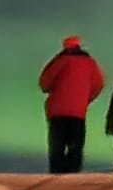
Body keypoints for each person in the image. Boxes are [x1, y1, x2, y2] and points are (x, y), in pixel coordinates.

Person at [39, 35, 105, 174]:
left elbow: (44, 83)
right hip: (78, 113)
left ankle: (56, 176)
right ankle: (73, 176)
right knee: (75, 148)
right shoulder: (90, 64)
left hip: (57, 112)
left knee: (57, 148)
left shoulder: (60, 61)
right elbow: (98, 84)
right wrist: (85, 99)